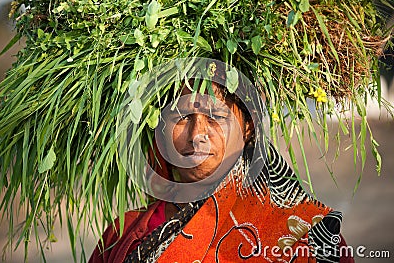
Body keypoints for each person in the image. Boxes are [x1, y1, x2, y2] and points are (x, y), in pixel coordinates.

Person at [89, 62, 354, 263]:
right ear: (159, 130)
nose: (196, 136)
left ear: (248, 127)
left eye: (215, 115)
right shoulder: (122, 236)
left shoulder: (304, 234)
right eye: (182, 117)